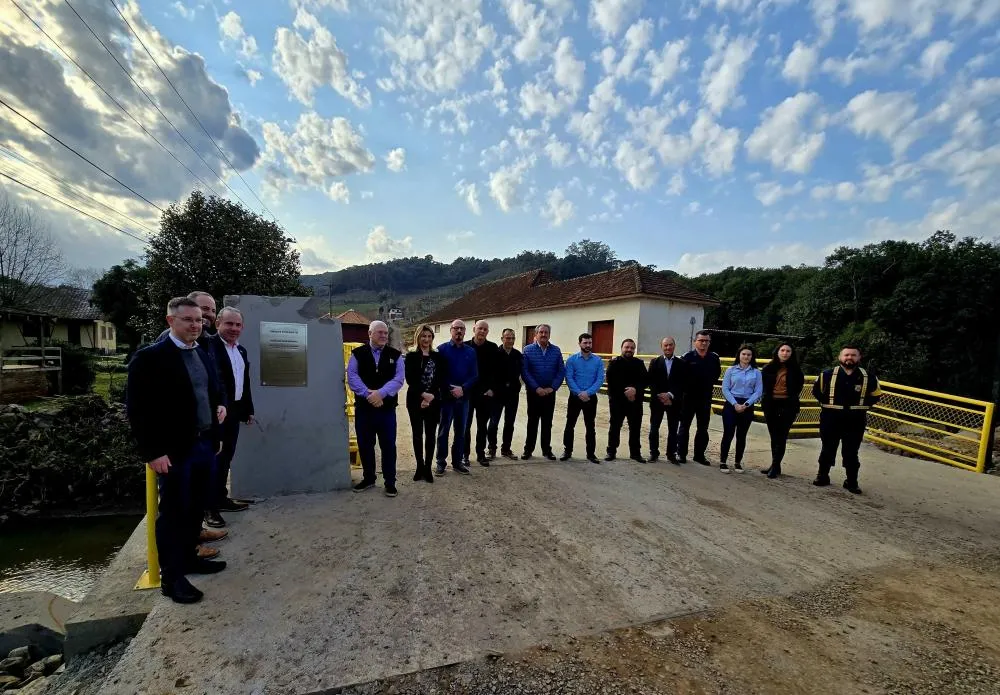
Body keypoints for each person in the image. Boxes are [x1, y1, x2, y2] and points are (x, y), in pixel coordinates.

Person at [126, 297, 227, 604]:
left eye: (199, 320)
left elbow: (211, 391)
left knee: (196, 507)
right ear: (171, 321)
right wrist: (152, 452)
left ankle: (190, 559)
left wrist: (217, 418)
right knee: (173, 513)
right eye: (188, 320)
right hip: (173, 450)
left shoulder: (202, 353)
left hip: (204, 444)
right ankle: (172, 578)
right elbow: (138, 410)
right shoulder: (150, 358)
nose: (196, 325)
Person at [205, 307, 255, 529]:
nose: (234, 328)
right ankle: (208, 508)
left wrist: (247, 410)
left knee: (226, 457)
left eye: (238, 325)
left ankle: (220, 498)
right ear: (218, 324)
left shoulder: (241, 350)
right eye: (229, 324)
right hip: (215, 413)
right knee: (213, 460)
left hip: (233, 411)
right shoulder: (209, 346)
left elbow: (244, 382)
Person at [812, 346, 882, 494]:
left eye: (853, 355)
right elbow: (816, 392)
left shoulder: (868, 377)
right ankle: (822, 476)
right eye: (846, 355)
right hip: (830, 418)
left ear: (859, 357)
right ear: (840, 357)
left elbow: (876, 396)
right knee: (827, 448)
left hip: (855, 420)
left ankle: (852, 481)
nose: (849, 357)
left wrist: (859, 407)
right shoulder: (826, 375)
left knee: (851, 452)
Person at [346, 321, 405, 497]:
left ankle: (390, 482)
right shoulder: (358, 354)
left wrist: (380, 394)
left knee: (388, 446)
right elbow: (352, 376)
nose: (384, 336)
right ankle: (369, 478)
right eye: (380, 332)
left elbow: (399, 379)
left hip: (386, 411)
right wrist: (368, 394)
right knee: (365, 445)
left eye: (386, 333)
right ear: (370, 334)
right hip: (364, 410)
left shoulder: (395, 355)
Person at [404, 325, 448, 484]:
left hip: (434, 401)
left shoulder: (438, 357)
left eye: (429, 336)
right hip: (414, 400)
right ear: (418, 337)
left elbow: (440, 379)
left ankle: (428, 467)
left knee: (430, 435)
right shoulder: (411, 356)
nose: (426, 339)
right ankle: (419, 467)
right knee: (417, 435)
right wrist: (423, 395)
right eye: (423, 336)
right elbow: (410, 379)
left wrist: (430, 397)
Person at [436, 320, 478, 475]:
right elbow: (439, 375)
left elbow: (474, 375)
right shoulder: (442, 350)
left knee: (461, 432)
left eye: (461, 328)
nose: (459, 331)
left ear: (465, 331)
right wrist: (451, 388)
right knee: (443, 431)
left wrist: (463, 388)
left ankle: (457, 462)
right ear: (451, 330)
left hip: (463, 398)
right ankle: (440, 462)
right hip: (446, 398)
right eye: (456, 328)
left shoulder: (471, 352)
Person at [760, 344, 805, 479]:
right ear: (777, 352)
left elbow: (798, 387)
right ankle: (776, 465)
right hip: (771, 404)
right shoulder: (768, 368)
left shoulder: (796, 370)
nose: (785, 353)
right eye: (782, 350)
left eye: (788, 351)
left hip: (788, 405)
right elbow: (763, 386)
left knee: (782, 435)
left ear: (792, 353)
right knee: (774, 436)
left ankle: (775, 466)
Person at [521, 324, 565, 461]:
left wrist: (552, 388)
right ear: (536, 334)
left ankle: (546, 450)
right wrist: (536, 388)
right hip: (534, 392)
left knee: (547, 422)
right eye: (541, 332)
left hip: (550, 393)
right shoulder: (528, 350)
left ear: (549, 334)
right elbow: (525, 371)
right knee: (532, 422)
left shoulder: (556, 351)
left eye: (546, 332)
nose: (544, 334)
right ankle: (528, 450)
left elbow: (561, 371)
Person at [560, 333, 605, 464]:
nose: (588, 345)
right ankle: (567, 451)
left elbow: (600, 379)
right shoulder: (572, 360)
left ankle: (591, 454)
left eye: (589, 343)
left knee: (590, 426)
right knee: (570, 424)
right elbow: (569, 378)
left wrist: (588, 393)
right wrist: (579, 393)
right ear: (579, 343)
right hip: (575, 397)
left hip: (590, 398)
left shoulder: (598, 361)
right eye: (585, 343)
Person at [679, 331, 722, 465]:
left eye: (706, 341)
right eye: (701, 340)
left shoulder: (714, 358)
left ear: (709, 342)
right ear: (695, 342)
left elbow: (716, 375)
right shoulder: (687, 357)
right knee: (684, 427)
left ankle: (699, 455)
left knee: (703, 428)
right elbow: (680, 377)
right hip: (688, 398)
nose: (704, 343)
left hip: (705, 398)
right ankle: (681, 454)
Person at [719, 345, 763, 473]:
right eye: (744, 354)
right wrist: (735, 404)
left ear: (752, 357)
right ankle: (723, 461)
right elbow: (725, 388)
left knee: (741, 435)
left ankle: (738, 462)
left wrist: (746, 404)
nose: (746, 357)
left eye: (749, 355)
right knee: (728, 434)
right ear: (739, 355)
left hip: (747, 405)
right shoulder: (731, 370)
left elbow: (758, 390)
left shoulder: (756, 372)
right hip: (731, 403)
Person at [605, 338, 648, 463]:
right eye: (627, 347)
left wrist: (635, 390)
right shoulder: (614, 363)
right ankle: (611, 451)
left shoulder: (639, 363)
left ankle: (635, 453)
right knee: (615, 427)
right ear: (622, 348)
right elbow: (611, 383)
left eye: (632, 348)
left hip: (635, 402)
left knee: (635, 428)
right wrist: (626, 393)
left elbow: (645, 381)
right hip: (617, 402)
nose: (629, 349)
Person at [647, 336, 688, 464]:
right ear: (662, 347)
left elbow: (683, 383)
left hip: (674, 401)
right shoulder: (655, 362)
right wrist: (661, 396)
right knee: (654, 428)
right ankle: (653, 453)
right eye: (665, 345)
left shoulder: (681, 363)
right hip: (657, 401)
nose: (668, 347)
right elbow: (651, 382)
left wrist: (670, 395)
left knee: (673, 429)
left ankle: (671, 454)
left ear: (674, 346)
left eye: (670, 345)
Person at [463, 320, 499, 467]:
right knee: (465, 426)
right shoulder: (465, 346)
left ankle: (480, 454)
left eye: (485, 329)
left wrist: (492, 389)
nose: (482, 331)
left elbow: (496, 371)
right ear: (474, 329)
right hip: (468, 393)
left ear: (487, 332)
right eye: (480, 328)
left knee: (482, 426)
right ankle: (465, 455)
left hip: (485, 394)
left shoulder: (493, 348)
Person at [489, 328, 522, 460]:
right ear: (502, 339)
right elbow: (490, 374)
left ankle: (506, 449)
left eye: (513, 338)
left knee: (509, 423)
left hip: (512, 394)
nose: (510, 340)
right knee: (493, 423)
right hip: (497, 394)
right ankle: (491, 449)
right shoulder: (495, 354)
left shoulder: (517, 355)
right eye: (508, 338)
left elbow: (520, 373)